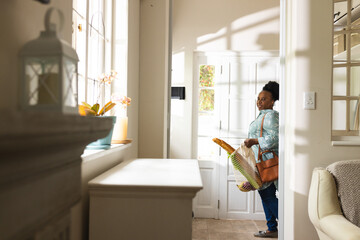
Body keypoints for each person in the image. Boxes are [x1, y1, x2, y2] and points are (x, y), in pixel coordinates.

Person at [244, 81, 279, 238]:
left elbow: (275, 138)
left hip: (267, 162)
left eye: (264, 99)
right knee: (265, 193)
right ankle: (272, 228)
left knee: (267, 194)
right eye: (258, 98)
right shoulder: (263, 116)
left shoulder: (270, 116)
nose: (259, 101)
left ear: (272, 101)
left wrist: (254, 141)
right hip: (260, 161)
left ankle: (287, 223)